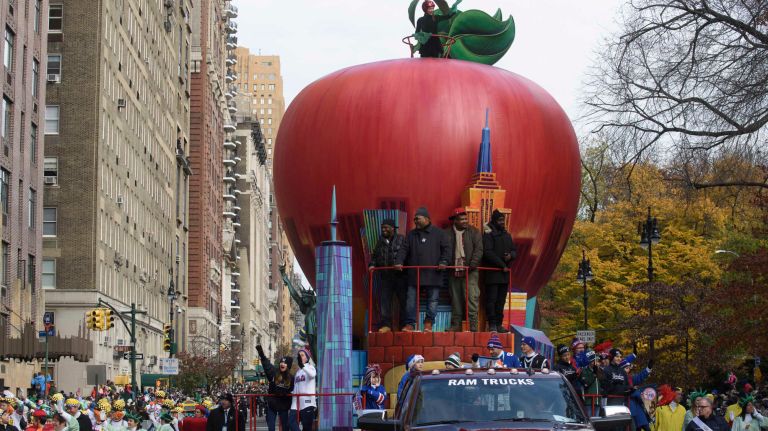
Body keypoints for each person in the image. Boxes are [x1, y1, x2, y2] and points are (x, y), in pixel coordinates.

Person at [394, 207, 451, 332]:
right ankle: (409, 324)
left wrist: (444, 262)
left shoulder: (439, 233)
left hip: (433, 273)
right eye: (414, 219)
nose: (415, 221)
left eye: (418, 218)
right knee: (410, 300)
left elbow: (447, 249)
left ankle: (428, 323)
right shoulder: (411, 234)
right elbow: (403, 249)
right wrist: (398, 261)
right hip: (414, 274)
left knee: (433, 300)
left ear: (427, 219)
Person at [445, 208, 483, 332]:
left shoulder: (474, 232)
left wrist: (472, 265)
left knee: (472, 296)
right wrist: (447, 263)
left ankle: (473, 325)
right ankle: (456, 324)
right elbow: (444, 250)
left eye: (466, 219)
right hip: (453, 270)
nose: (465, 221)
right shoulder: (447, 233)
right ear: (455, 221)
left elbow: (479, 249)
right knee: (455, 297)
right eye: (462, 219)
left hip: (470, 271)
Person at [368, 218, 407, 333]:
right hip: (385, 277)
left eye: (386, 227)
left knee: (403, 301)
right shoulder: (380, 242)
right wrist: (372, 265)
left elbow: (406, 254)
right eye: (382, 228)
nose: (383, 230)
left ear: (392, 228)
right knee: (384, 302)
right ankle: (386, 325)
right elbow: (375, 257)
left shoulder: (401, 239)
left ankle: (404, 325)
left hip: (400, 276)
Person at [481, 210, 517, 333]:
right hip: (492, 273)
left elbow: (514, 250)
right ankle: (492, 324)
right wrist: (502, 264)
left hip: (504, 274)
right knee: (491, 300)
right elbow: (488, 253)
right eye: (500, 220)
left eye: (503, 220)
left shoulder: (507, 235)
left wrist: (510, 256)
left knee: (501, 301)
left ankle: (499, 324)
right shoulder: (488, 234)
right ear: (494, 221)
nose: (502, 222)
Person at [256, 345, 293, 431]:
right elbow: (267, 366)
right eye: (281, 362)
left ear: (288, 365)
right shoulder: (274, 372)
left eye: (284, 363)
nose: (282, 364)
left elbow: (291, 390)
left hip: (283, 405)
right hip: (272, 404)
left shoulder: (291, 377)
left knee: (285, 427)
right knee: (271, 427)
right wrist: (261, 355)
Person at [290, 348, 316, 431]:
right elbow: (296, 388)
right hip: (297, 403)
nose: (300, 357)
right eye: (299, 355)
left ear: (307, 357)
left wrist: (303, 366)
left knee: (307, 427)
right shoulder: (298, 372)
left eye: (302, 355)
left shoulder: (310, 367)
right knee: (291, 422)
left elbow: (312, 375)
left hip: (308, 402)